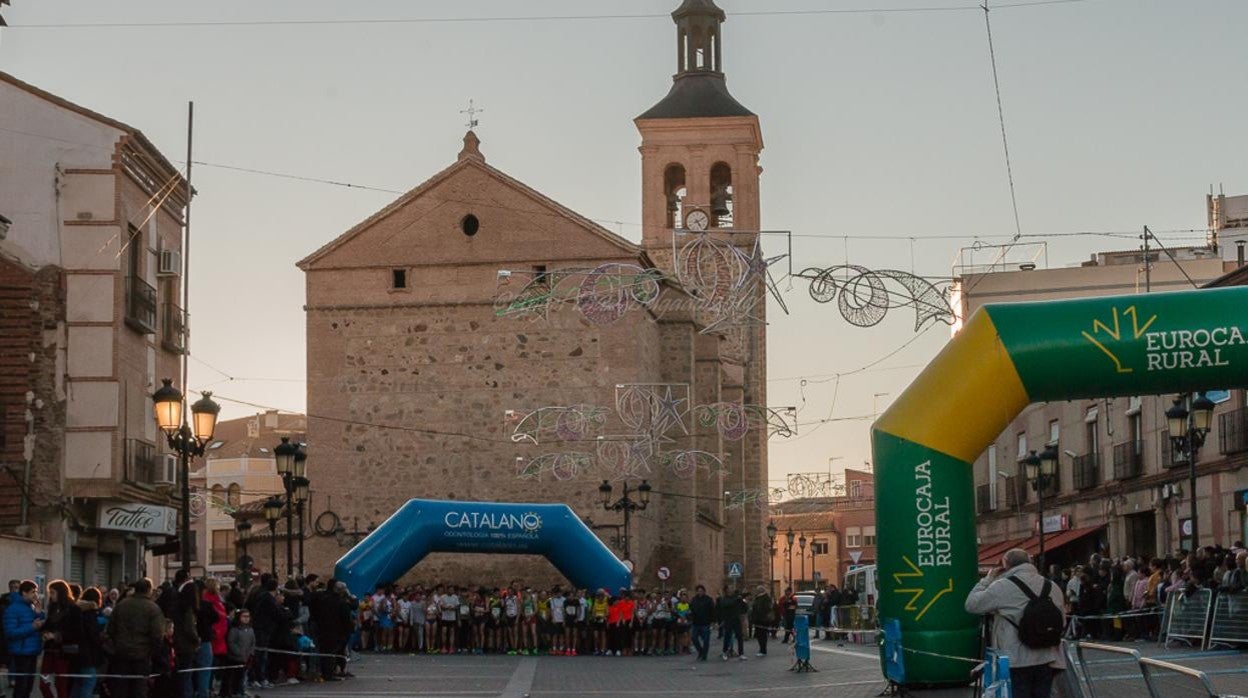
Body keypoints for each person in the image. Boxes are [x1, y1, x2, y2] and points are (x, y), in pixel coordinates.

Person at [965, 548, 1066, 698]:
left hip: (1015, 659)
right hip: (1047, 657)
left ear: (1006, 564)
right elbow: (1061, 621)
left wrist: (987, 579)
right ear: (1030, 562)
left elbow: (972, 605)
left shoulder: (1002, 586)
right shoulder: (1051, 586)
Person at [106, 578, 166, 698]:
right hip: (142, 655)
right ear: (149, 590)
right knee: (139, 689)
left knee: (120, 689)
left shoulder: (121, 605)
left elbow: (110, 629)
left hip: (121, 653)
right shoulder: (153, 608)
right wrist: (154, 654)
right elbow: (157, 635)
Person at [41, 579, 80, 698]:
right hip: (49, 651)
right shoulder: (52, 608)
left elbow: (78, 633)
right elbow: (47, 625)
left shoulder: (74, 609)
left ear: (60, 593)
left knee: (61, 685)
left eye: (52, 593)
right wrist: (44, 632)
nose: (51, 596)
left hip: (64, 653)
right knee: (43, 683)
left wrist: (56, 636)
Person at [5, 580, 43, 698]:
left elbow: (40, 624)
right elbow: (11, 632)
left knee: (29, 687)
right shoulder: (13, 609)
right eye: (32, 592)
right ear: (24, 593)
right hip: (21, 652)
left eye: (36, 592)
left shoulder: (32, 607)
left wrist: (39, 613)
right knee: (21, 687)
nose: (35, 595)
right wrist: (31, 627)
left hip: (33, 651)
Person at [71, 587, 106, 698]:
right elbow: (93, 635)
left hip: (76, 653)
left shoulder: (76, 610)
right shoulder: (90, 612)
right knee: (89, 683)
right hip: (88, 654)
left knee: (77, 684)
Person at [225, 608, 255, 698]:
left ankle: (241, 691)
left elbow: (253, 642)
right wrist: (238, 653)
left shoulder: (250, 629)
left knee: (243, 676)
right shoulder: (235, 629)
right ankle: (234, 692)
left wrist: (251, 652)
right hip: (235, 658)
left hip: (246, 657)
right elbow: (231, 642)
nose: (246, 618)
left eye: (248, 616)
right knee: (235, 677)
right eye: (244, 616)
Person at [688, 584, 714, 662]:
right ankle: (700, 651)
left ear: (704, 591)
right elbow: (691, 609)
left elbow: (712, 611)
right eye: (698, 591)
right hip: (696, 622)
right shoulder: (694, 600)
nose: (700, 592)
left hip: (705, 622)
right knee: (694, 638)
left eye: (701, 591)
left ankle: (704, 655)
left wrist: (712, 621)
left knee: (706, 640)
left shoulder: (708, 600)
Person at [750, 585, 773, 657]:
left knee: (762, 635)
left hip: (763, 619)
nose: (756, 591)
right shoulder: (757, 597)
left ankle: (763, 650)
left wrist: (760, 612)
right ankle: (761, 649)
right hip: (757, 619)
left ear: (761, 590)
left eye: (758, 590)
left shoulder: (766, 598)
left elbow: (767, 608)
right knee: (758, 635)